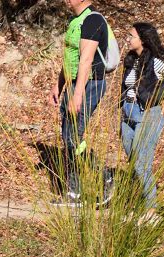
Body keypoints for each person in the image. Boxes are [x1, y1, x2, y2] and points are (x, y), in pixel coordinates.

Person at [119, 23, 164, 209]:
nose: (128, 39)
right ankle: (139, 199)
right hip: (128, 112)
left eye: (131, 36)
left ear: (142, 40)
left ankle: (151, 207)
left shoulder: (156, 61)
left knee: (142, 162)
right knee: (134, 159)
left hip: (148, 113)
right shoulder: (131, 59)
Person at [49, 0, 114, 203]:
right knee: (69, 137)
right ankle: (73, 192)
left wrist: (77, 95)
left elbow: (86, 59)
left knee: (73, 137)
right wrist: (59, 86)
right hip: (74, 83)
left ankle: (105, 176)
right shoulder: (75, 20)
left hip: (89, 84)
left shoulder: (92, 20)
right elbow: (70, 57)